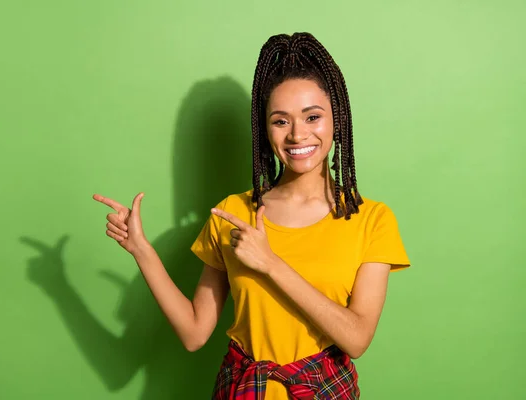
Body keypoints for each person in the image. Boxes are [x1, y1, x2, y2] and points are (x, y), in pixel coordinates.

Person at [94, 32, 410, 399]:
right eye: (281, 121)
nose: (297, 134)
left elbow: (356, 339)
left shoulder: (372, 219)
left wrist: (270, 263)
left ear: (336, 120)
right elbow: (195, 333)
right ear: (265, 129)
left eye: (312, 117)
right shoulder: (233, 214)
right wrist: (141, 250)